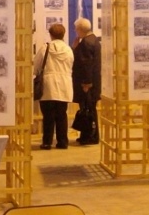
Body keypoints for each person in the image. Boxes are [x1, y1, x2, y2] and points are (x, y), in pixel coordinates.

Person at [33, 23, 74, 150]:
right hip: (64, 84)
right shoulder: (68, 49)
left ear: (50, 34)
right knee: (62, 114)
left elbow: (37, 66)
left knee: (48, 116)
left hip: (48, 84)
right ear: (63, 34)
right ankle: (62, 142)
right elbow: (71, 64)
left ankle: (47, 142)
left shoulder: (45, 48)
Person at [72, 17, 101, 145]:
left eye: (76, 29)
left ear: (80, 29)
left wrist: (86, 83)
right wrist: (76, 47)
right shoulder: (94, 39)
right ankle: (88, 134)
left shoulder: (86, 43)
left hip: (87, 84)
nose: (75, 31)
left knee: (87, 110)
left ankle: (89, 136)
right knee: (90, 109)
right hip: (94, 82)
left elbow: (86, 65)